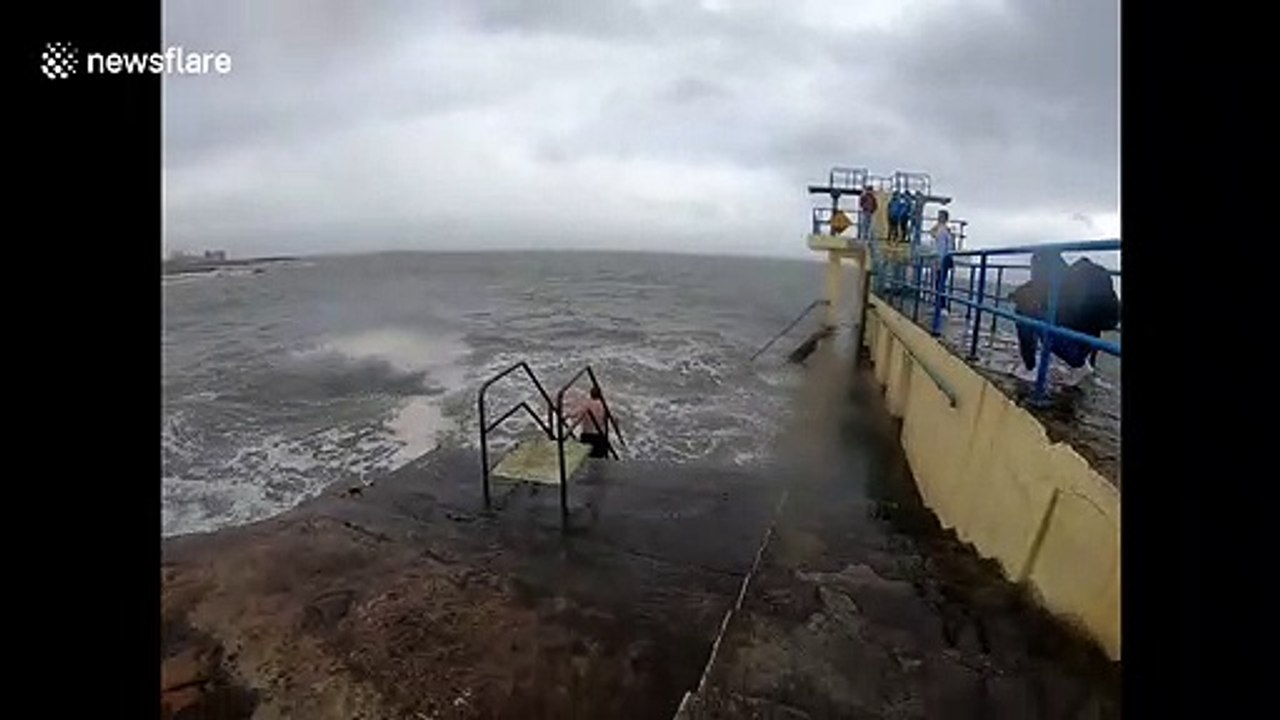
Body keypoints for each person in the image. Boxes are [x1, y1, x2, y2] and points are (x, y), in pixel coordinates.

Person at [1008, 250, 1120, 387]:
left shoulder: (1062, 287)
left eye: (1035, 269)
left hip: (1076, 347)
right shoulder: (1069, 279)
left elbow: (1035, 291)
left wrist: (1026, 302)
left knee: (1027, 314)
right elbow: (1032, 287)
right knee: (1039, 314)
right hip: (1088, 343)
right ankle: (1081, 365)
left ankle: (1030, 368)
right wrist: (1020, 294)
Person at [571, 386, 613, 458]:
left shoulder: (585, 405)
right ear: (600, 395)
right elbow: (614, 419)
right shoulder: (605, 406)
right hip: (599, 436)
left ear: (590, 394)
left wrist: (564, 417)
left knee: (586, 458)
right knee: (599, 459)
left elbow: (573, 414)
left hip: (587, 436)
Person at [930, 210, 956, 315]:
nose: (938, 218)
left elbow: (942, 248)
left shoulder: (943, 231)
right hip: (943, 259)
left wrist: (939, 261)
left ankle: (942, 307)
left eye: (939, 216)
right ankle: (939, 306)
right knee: (938, 283)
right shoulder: (943, 230)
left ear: (943, 218)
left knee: (940, 283)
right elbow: (932, 233)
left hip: (943, 259)